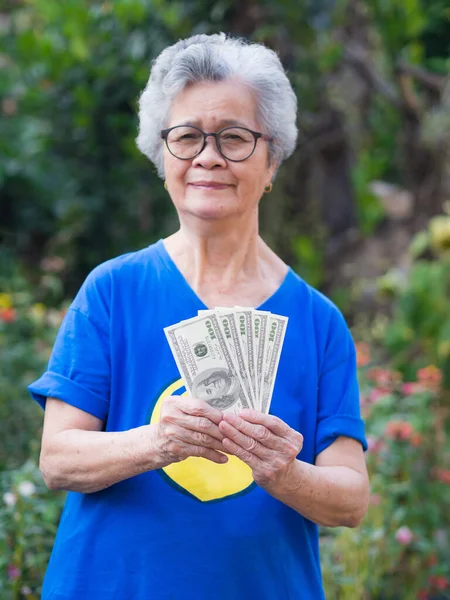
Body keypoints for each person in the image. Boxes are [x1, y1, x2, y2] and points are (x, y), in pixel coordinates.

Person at [28, 33, 369, 600]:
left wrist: (284, 471)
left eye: (234, 138)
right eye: (186, 137)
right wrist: (158, 442)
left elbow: (351, 498)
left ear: (273, 157)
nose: (207, 157)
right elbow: (58, 458)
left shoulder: (318, 322)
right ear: (163, 157)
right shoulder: (112, 291)